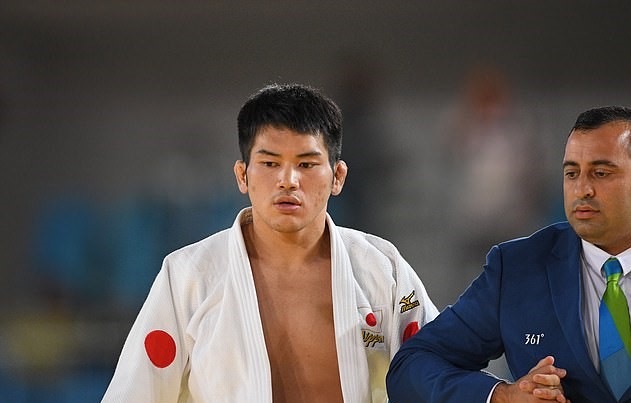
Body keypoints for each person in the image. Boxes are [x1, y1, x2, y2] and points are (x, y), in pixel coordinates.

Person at [102, 83, 438, 402]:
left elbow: (439, 370)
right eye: (269, 163)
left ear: (337, 177)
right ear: (242, 175)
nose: (288, 180)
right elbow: (134, 394)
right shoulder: (189, 276)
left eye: (306, 164)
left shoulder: (382, 268)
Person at [386, 105, 631, 403]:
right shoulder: (518, 268)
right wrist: (503, 396)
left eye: (601, 173)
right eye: (571, 173)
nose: (582, 189)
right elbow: (411, 367)